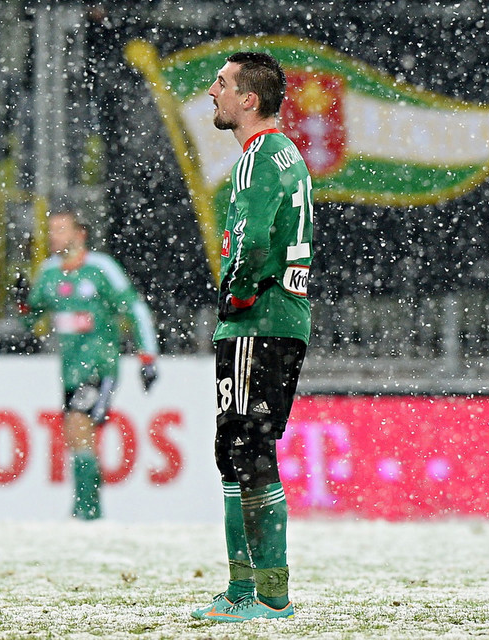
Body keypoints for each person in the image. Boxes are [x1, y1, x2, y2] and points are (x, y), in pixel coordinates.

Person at [190, 51, 312, 623]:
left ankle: (268, 595)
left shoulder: (257, 158)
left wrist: (236, 296)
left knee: (246, 450)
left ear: (249, 100)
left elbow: (253, 240)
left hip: (257, 322)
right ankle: (245, 592)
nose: (210, 93)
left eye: (220, 84)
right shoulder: (288, 155)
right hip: (285, 320)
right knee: (240, 450)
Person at [24, 207, 159, 520]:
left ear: (79, 234)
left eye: (60, 229)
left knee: (78, 426)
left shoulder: (101, 269)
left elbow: (134, 309)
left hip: (100, 364)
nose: (54, 236)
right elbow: (34, 316)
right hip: (69, 370)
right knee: (76, 436)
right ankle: (89, 508)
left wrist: (147, 356)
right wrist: (25, 306)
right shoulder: (48, 273)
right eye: (51, 229)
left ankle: (86, 511)